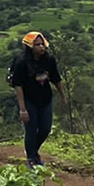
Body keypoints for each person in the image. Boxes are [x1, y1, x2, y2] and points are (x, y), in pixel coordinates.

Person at [10, 31, 66, 167]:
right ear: (30, 47)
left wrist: (63, 96)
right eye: (37, 45)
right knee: (31, 128)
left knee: (45, 128)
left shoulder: (49, 60)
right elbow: (18, 86)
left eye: (42, 44)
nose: (41, 47)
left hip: (45, 99)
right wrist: (22, 109)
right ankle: (31, 158)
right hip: (29, 100)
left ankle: (33, 151)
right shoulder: (21, 63)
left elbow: (56, 79)